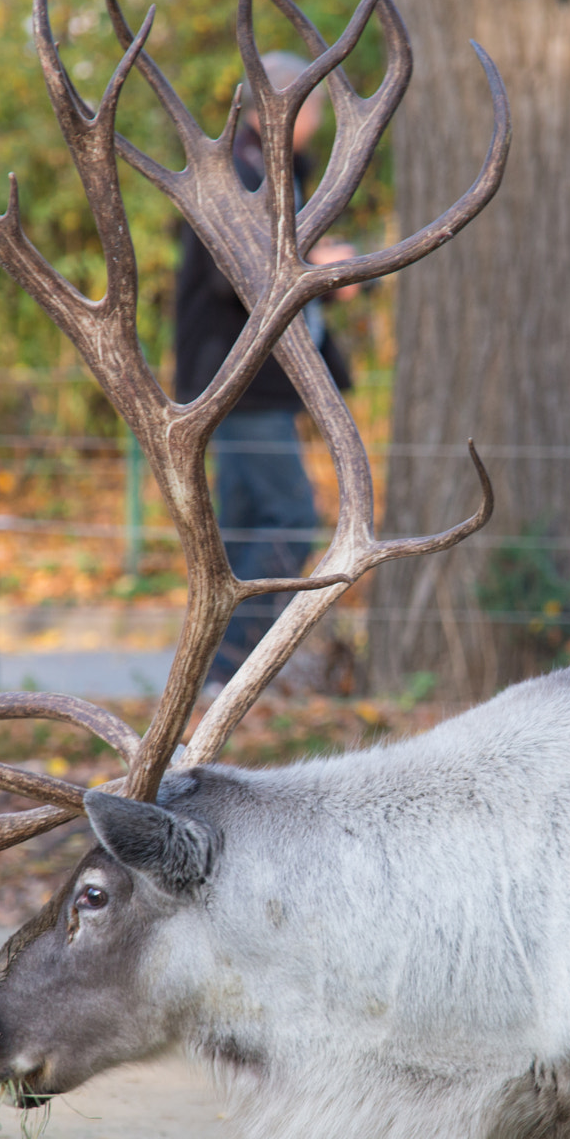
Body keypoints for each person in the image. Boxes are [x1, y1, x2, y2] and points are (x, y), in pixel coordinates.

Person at [173, 51, 358, 686]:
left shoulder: (275, 170)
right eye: (311, 103)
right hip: (241, 384)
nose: (319, 118)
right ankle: (228, 671)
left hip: (254, 384)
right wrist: (320, 265)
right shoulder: (239, 172)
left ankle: (211, 674)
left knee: (244, 529)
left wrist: (317, 266)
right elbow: (240, 276)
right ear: (284, 103)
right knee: (289, 518)